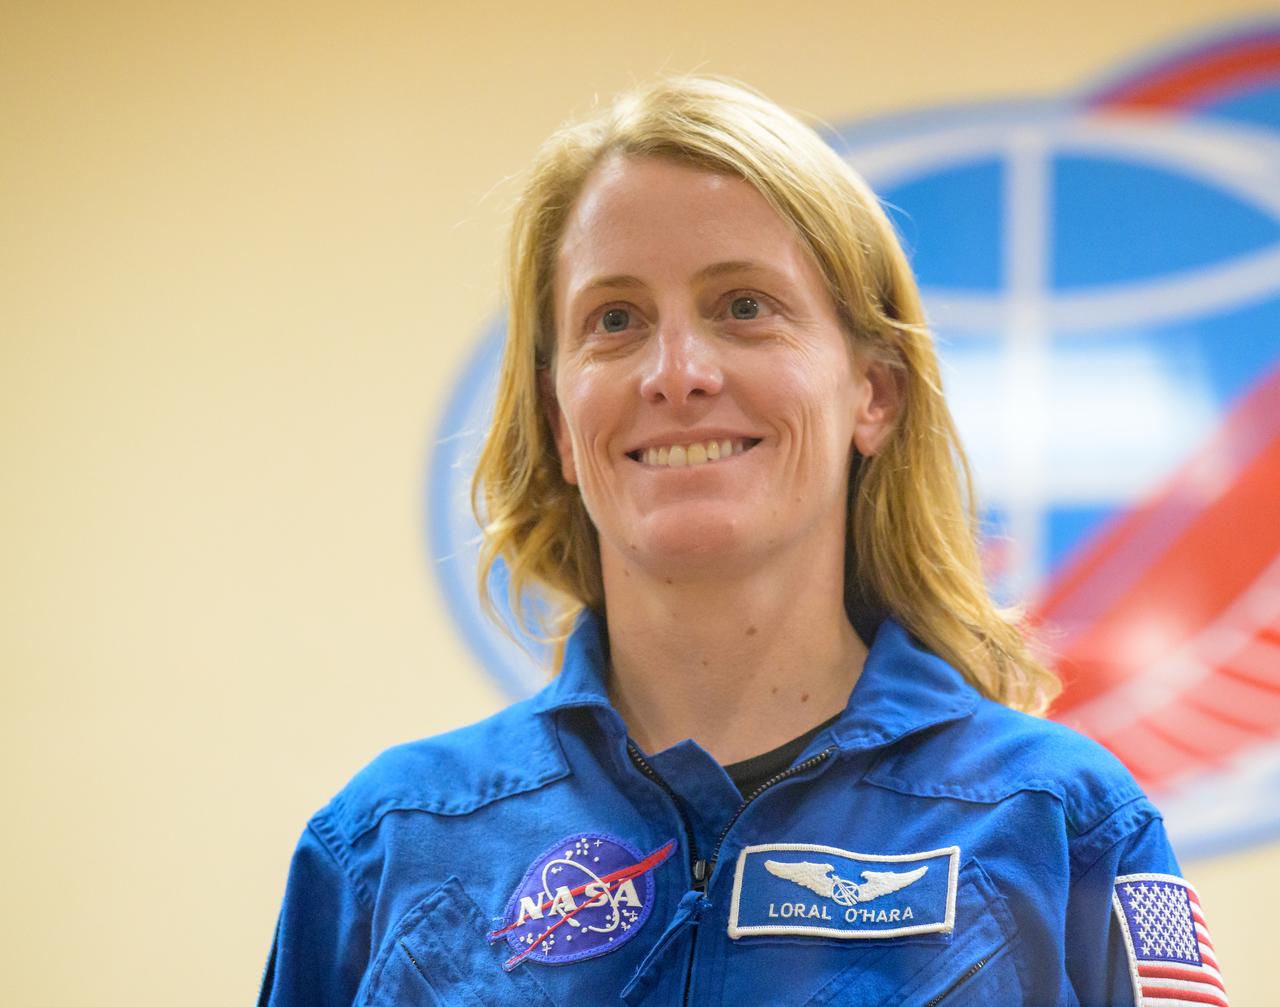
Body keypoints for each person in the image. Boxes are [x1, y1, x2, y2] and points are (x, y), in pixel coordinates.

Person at [258, 77, 1229, 1006]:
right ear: (559, 419)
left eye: (742, 307)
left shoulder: (1058, 824)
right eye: (615, 320)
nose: (675, 372)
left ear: (872, 393)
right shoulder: (389, 847)